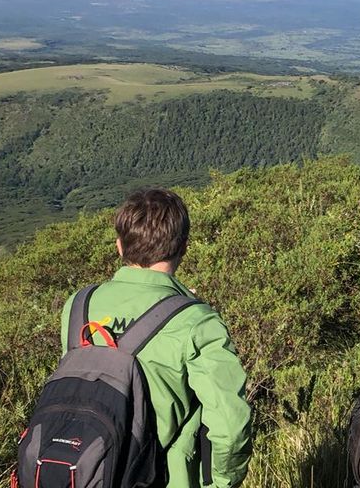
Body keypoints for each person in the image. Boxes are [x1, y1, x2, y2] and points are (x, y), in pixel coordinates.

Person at [58, 188, 252, 488]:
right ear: (184, 247)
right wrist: (223, 482)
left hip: (80, 471)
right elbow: (230, 425)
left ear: (119, 246)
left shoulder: (78, 305)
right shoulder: (197, 323)